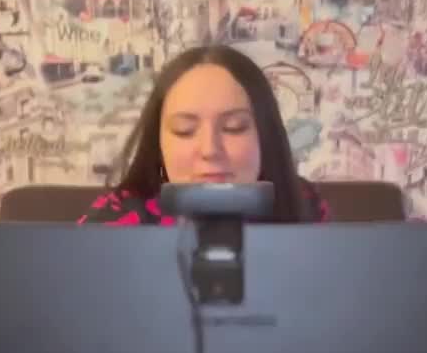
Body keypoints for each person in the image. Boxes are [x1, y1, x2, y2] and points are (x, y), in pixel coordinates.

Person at [78, 44, 329, 225]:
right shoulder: (114, 223)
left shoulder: (303, 206)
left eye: (234, 127)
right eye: (184, 131)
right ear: (158, 143)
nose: (209, 149)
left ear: (265, 135)